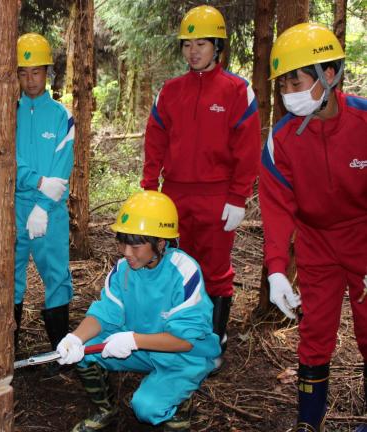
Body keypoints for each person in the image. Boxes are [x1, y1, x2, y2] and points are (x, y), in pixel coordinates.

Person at [259, 22, 367, 432]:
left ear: (329, 73)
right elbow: (275, 209)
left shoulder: (364, 121)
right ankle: (308, 423)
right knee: (315, 332)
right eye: (282, 85)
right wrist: (274, 270)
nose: (288, 93)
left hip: (364, 239)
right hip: (316, 245)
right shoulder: (282, 140)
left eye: (296, 80)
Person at [140, 4, 260, 368]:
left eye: (202, 44)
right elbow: (155, 139)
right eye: (187, 44)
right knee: (175, 265)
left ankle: (213, 340)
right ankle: (179, 335)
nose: (193, 52)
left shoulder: (237, 90)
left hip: (217, 196)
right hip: (173, 195)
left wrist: (238, 196)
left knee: (216, 269)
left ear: (218, 46)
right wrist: (149, 188)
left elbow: (248, 147)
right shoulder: (171, 90)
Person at [56, 191, 221, 431]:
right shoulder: (122, 269)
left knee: (146, 408)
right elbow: (105, 312)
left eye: (135, 245)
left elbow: (185, 341)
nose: (126, 252)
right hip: (140, 346)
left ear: (161, 243)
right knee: (85, 351)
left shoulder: (184, 272)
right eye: (122, 242)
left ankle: (180, 406)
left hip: (180, 355)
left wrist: (133, 340)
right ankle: (106, 410)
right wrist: (75, 338)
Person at [14, 33, 75, 356]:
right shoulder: (8, 113)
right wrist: (37, 182)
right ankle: (5, 349)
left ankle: (59, 351)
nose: (30, 80)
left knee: (57, 276)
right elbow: (8, 160)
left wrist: (42, 206)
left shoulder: (62, 116)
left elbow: (62, 168)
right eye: (23, 73)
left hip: (51, 213)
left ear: (47, 72)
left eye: (36, 72)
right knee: (9, 276)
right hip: (12, 208)